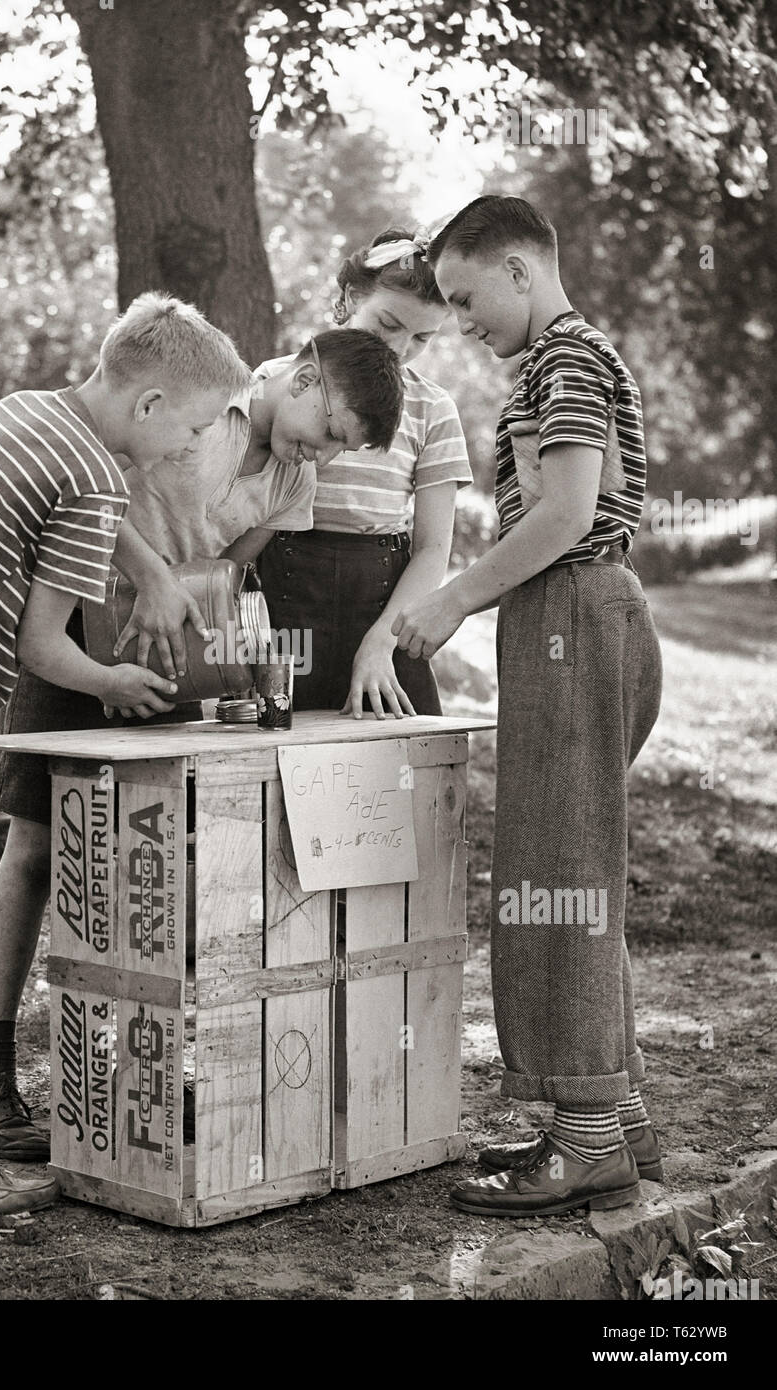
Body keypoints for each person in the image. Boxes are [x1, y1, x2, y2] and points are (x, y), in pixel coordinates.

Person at [0, 328, 406, 1159]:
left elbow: (231, 573)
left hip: (166, 676)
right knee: (35, 847)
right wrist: (154, 577)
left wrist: (223, 662)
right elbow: (98, 482)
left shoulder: (293, 481)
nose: (329, 454)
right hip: (76, 639)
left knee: (148, 864)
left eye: (345, 449)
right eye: (333, 428)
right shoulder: (199, 406)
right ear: (306, 379)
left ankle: (135, 1078)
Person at [0, 293, 251, 1202]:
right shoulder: (97, 478)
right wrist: (113, 684)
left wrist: (146, 582)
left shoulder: (23, 408)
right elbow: (43, 649)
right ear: (150, 405)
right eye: (195, 427)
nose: (190, 449)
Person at [393, 195, 663, 1216]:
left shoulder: (563, 359)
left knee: (555, 870)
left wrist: (455, 594)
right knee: (573, 864)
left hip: (572, 612)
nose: (462, 323)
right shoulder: (561, 362)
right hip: (574, 614)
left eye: (466, 300)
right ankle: (619, 1117)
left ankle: (584, 1140)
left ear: (518, 268)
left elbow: (566, 511)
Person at [251, 227, 473, 719]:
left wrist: (381, 645)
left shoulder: (433, 408)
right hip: (284, 595)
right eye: (388, 323)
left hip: (381, 605)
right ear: (352, 297)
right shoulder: (277, 380)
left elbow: (434, 548)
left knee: (396, 766)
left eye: (422, 337)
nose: (400, 347)